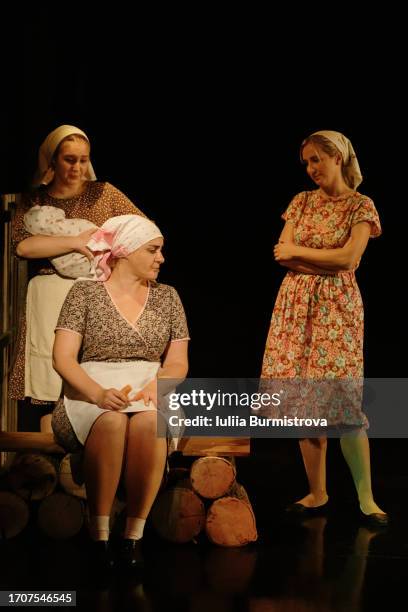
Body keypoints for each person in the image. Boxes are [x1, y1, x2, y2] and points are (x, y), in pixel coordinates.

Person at [261, 130, 388, 526]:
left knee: (345, 403)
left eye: (318, 159)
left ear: (338, 158)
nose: (312, 168)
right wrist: (315, 259)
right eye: (308, 162)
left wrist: (302, 252)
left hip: (338, 309)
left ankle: (367, 499)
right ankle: (317, 492)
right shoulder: (300, 202)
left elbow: (349, 259)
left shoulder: (360, 206)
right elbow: (282, 255)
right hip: (296, 305)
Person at [51, 214, 190, 569]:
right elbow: (64, 359)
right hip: (90, 388)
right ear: (125, 252)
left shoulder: (168, 297)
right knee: (111, 424)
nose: (161, 258)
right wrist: (97, 394)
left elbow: (177, 363)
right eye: (153, 250)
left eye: (161, 251)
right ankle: (99, 537)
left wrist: (156, 387)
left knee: (148, 424)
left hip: (150, 387)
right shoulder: (84, 292)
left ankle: (132, 536)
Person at [10, 125, 146, 432]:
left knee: (94, 380)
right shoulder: (35, 202)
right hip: (50, 297)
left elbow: (144, 230)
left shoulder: (104, 194)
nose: (77, 167)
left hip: (97, 292)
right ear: (52, 161)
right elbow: (21, 244)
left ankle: (90, 465)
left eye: (83, 160)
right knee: (50, 387)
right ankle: (50, 469)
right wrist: (74, 242)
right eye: (70, 160)